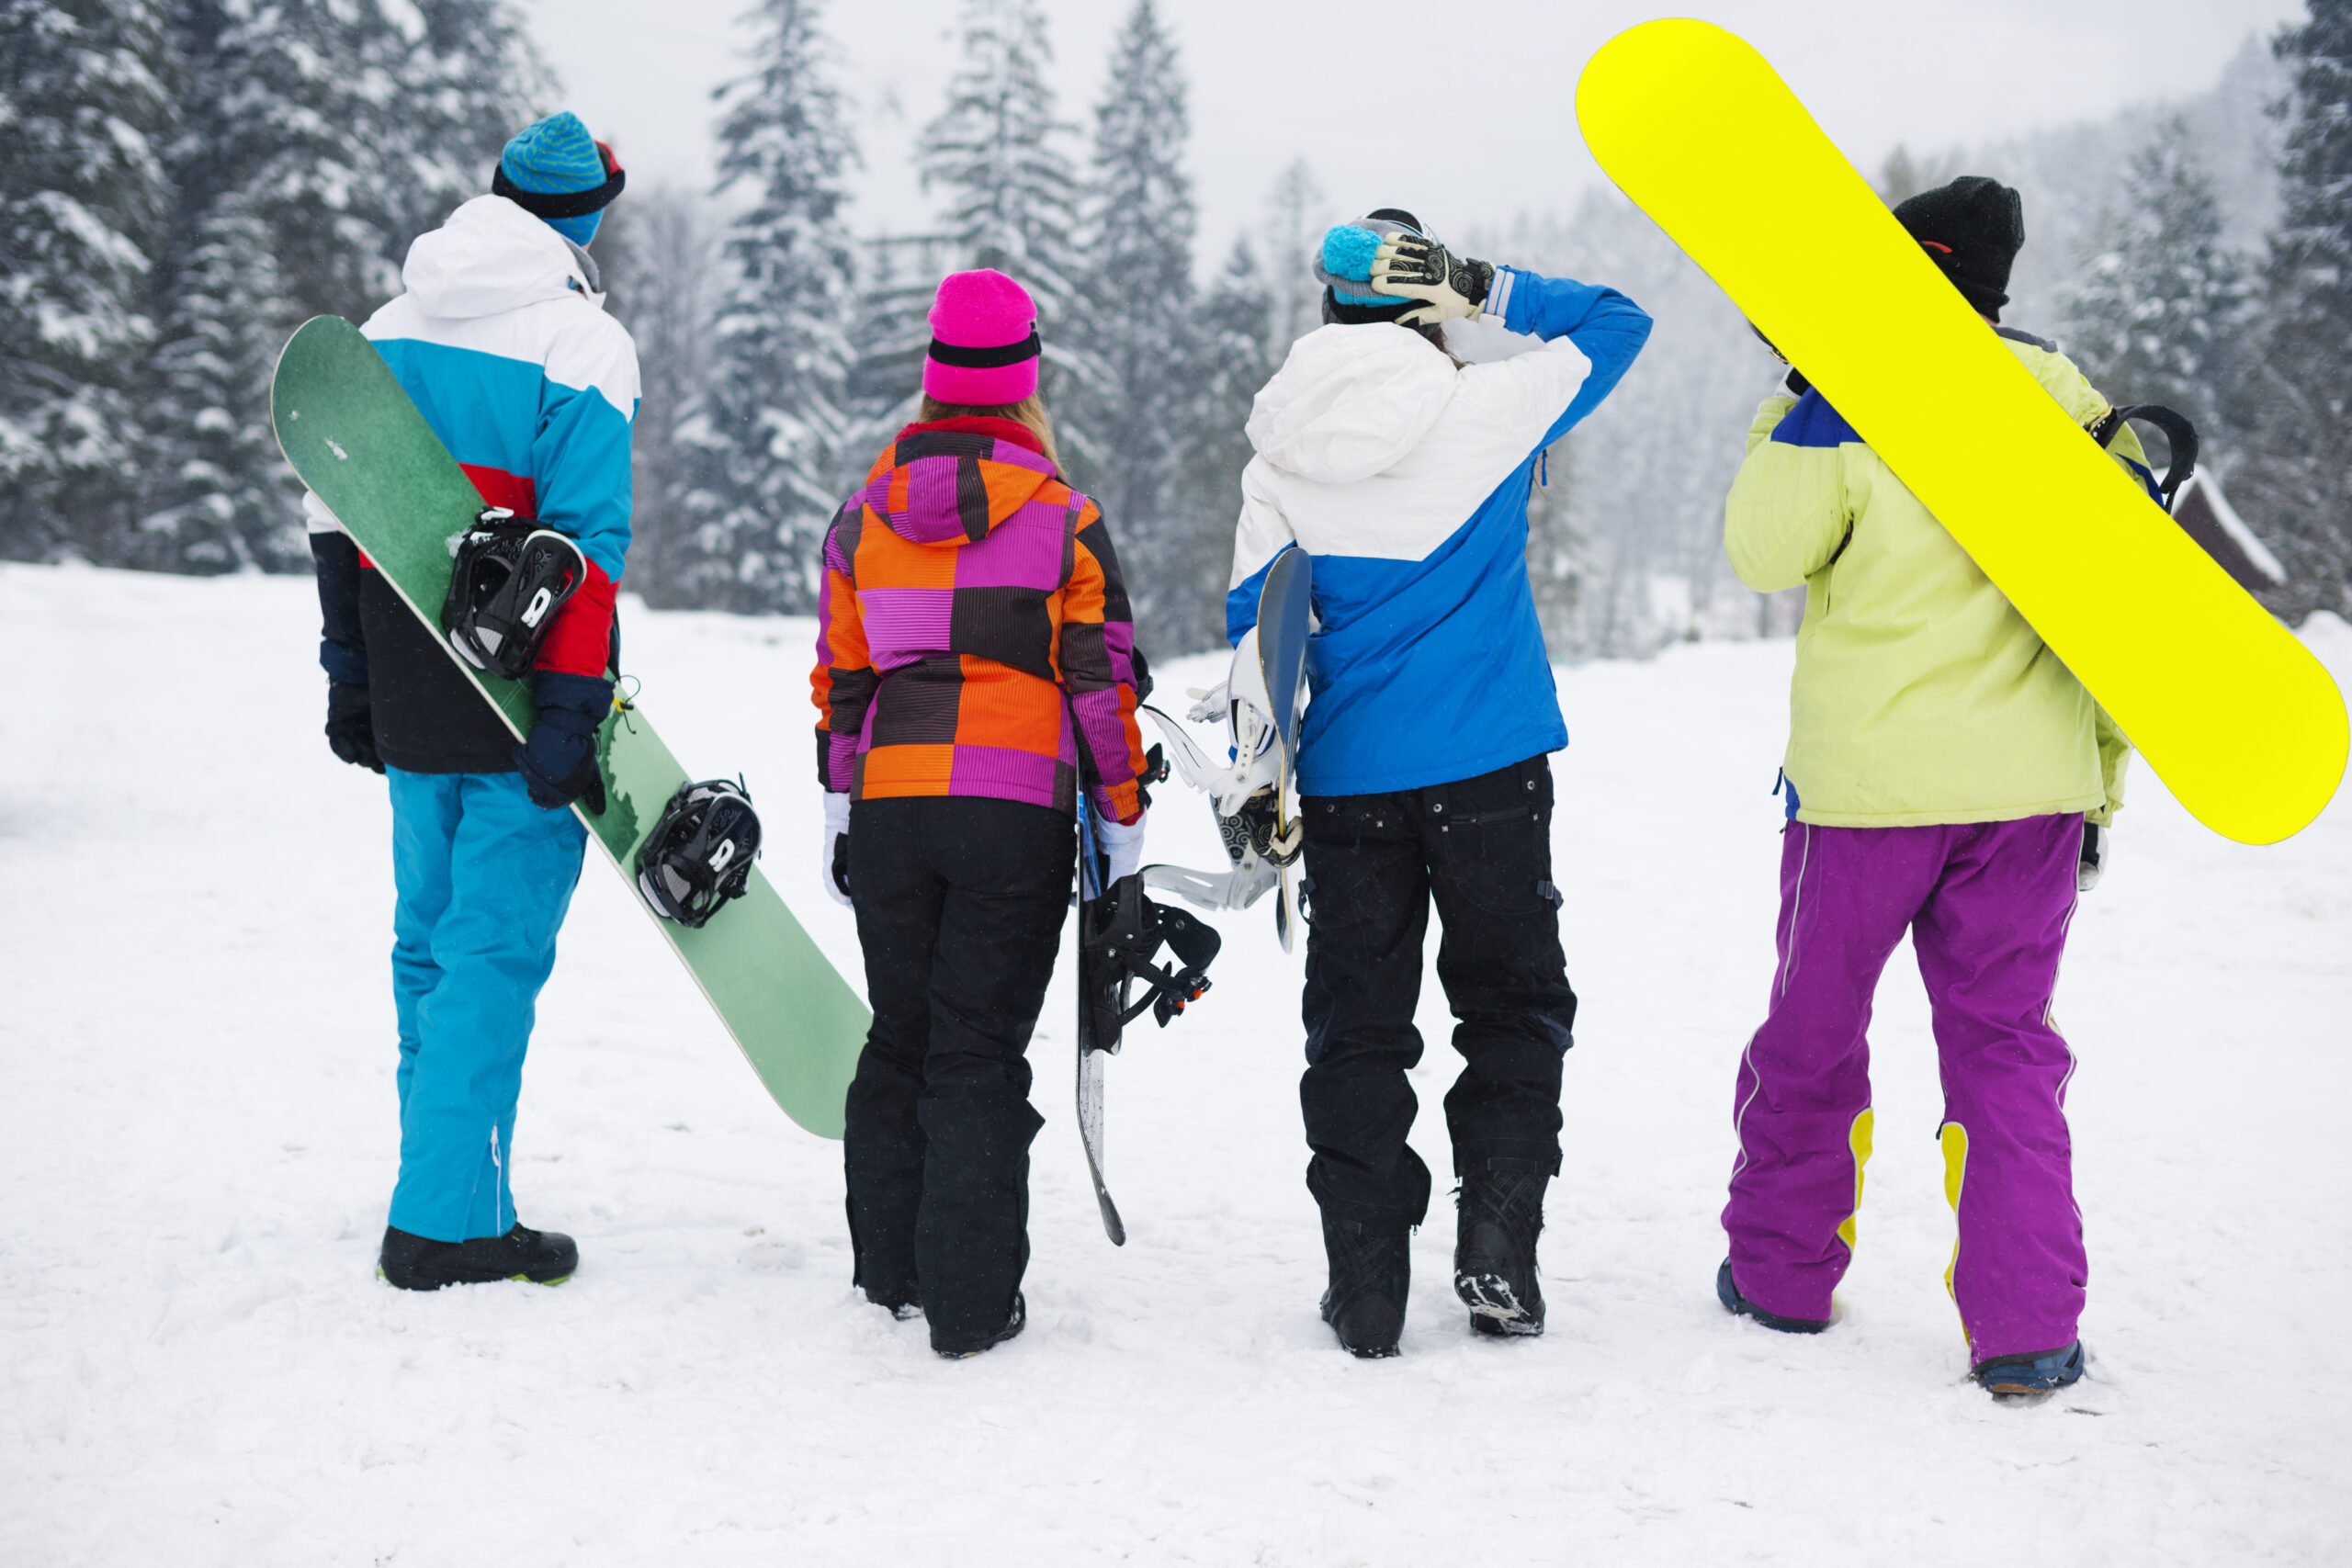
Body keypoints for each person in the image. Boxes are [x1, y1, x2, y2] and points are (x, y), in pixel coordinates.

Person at [1713, 175, 2143, 1395]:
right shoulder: (2072, 406)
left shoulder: (1850, 395)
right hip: (2027, 797)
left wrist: (1801, 400)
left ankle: (1783, 1275)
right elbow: (2128, 622)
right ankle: (2026, 1330)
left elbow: (1762, 551)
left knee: (1812, 1027)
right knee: (2006, 1051)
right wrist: (2099, 783)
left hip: (1866, 792)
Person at [1223, 210, 1652, 1357]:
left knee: (1357, 1032)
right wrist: (1486, 285)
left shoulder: (1281, 447)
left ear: (1329, 305)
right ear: (1432, 302)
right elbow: (1619, 321)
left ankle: (1366, 1286)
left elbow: (1257, 636)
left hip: (1349, 787)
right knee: (1509, 1009)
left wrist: (1259, 788)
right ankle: (1497, 1245)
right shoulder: (1487, 409)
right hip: (1490, 772)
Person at [307, 112, 637, 1291]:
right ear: (585, 218)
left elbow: (334, 516)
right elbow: (584, 545)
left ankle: (444, 1188)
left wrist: (350, 670)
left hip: (407, 678)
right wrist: (571, 708)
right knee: (491, 954)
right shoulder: (580, 342)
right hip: (516, 690)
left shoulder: (388, 328)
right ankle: (444, 1225)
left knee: (430, 946)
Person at [810, 268, 1150, 1359]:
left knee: (901, 1035)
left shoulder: (860, 520)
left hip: (893, 802)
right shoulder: (1065, 520)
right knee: (978, 1049)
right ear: (1025, 383)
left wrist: (839, 802)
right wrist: (1122, 819)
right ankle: (967, 1303)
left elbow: (843, 676)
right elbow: (1099, 683)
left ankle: (891, 1273)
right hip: (1013, 810)